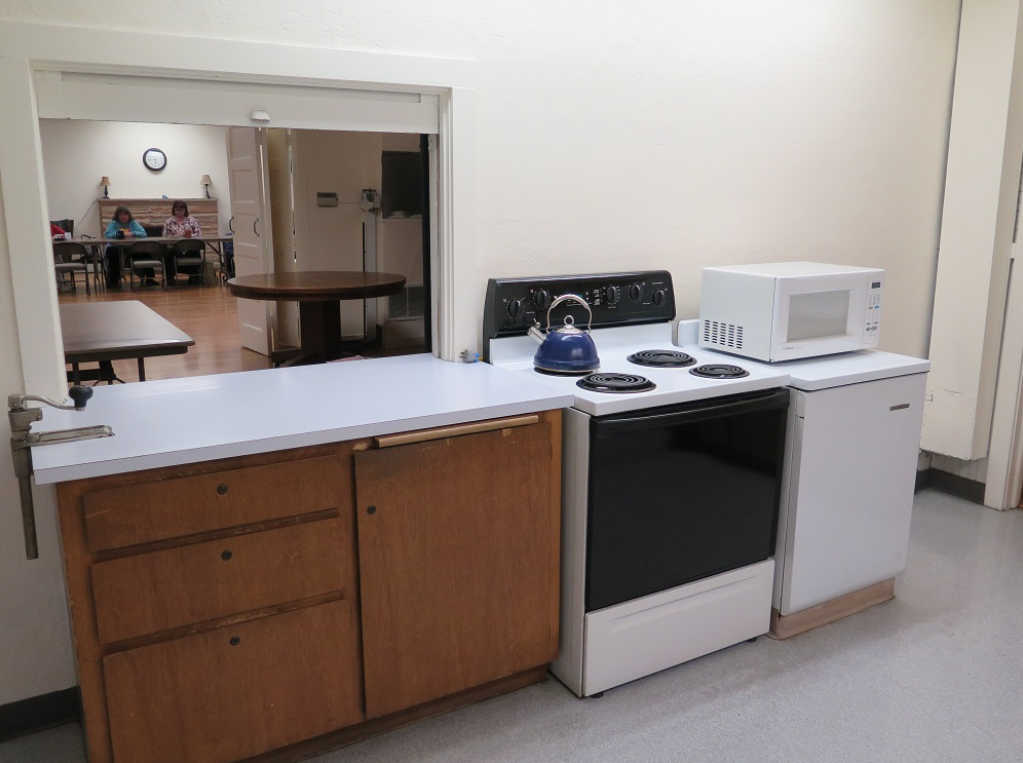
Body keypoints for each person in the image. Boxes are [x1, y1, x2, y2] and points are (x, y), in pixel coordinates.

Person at [104, 205, 148, 287]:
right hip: (116, 248)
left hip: (130, 248)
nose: (124, 217)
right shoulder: (113, 223)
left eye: (125, 215)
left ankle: (150, 279)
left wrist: (132, 233)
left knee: (145, 253)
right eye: (121, 215)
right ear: (118, 216)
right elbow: (107, 235)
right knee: (112, 253)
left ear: (129, 215)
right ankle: (114, 280)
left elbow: (143, 234)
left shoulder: (133, 223)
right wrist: (119, 234)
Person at [163, 200, 203, 284]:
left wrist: (189, 235)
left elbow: (199, 234)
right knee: (168, 252)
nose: (179, 212)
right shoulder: (169, 222)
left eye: (181, 210)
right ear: (174, 210)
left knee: (195, 250)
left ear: (185, 210)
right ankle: (170, 279)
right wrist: (178, 235)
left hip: (189, 247)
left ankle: (194, 277)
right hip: (175, 248)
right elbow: (165, 237)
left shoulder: (192, 220)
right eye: (177, 210)